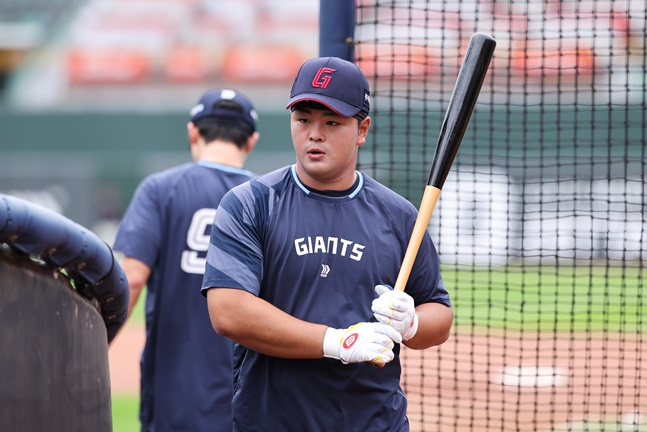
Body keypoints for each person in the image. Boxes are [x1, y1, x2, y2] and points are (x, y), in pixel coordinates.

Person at [201, 57, 453, 431]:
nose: (314, 134)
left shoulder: (398, 215)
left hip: (374, 422)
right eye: (303, 120)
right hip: (273, 422)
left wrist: (412, 322)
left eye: (331, 122)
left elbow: (440, 315)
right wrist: (338, 342)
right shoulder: (249, 204)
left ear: (362, 129)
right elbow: (228, 312)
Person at [112, 88, 260, 432]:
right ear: (251, 141)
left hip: (175, 394)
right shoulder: (268, 197)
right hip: (248, 394)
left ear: (193, 132)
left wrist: (90, 349)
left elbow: (131, 280)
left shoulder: (160, 189)